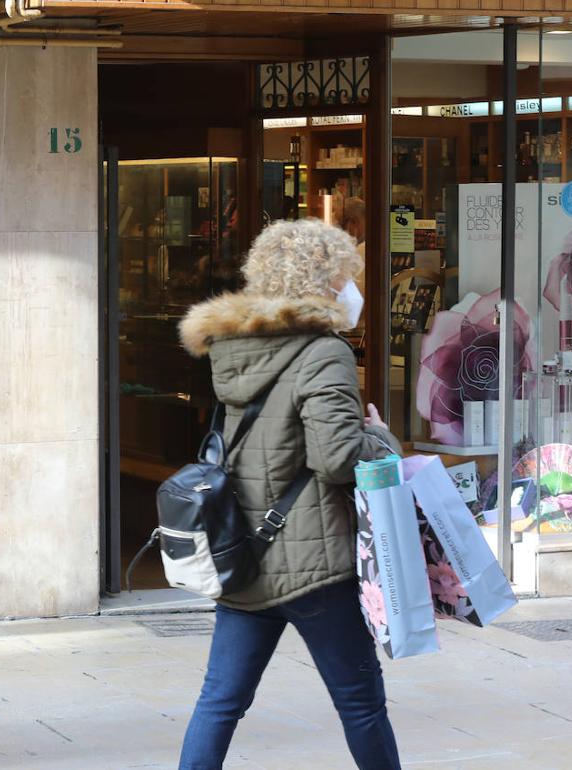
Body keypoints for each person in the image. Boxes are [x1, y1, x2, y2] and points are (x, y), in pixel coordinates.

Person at [175, 218, 402, 770]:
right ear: (324, 283)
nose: (351, 288)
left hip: (245, 554)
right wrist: (380, 437)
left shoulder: (234, 348)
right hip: (313, 562)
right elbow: (337, 458)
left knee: (220, 703)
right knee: (361, 704)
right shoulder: (325, 354)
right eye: (345, 276)